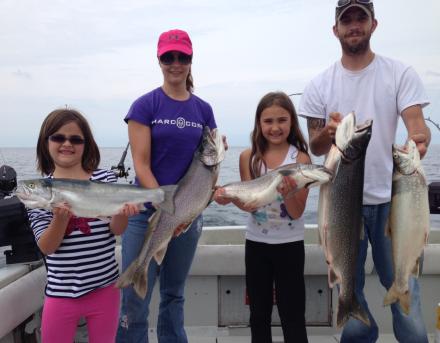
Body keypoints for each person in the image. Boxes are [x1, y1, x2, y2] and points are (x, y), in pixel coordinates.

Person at [298, 1, 431, 342]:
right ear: (335, 29)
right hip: (344, 206)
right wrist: (325, 135)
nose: (354, 25)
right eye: (347, 20)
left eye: (361, 18)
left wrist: (418, 138)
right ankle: (360, 330)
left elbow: (416, 124)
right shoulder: (318, 85)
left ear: (374, 24)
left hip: (392, 201)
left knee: (404, 286)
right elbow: (314, 145)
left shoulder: (399, 73)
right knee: (348, 284)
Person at [116, 29, 218, 343]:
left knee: (174, 294)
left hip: (186, 219)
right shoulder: (145, 106)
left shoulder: (204, 110)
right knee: (135, 296)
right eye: (168, 57)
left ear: (191, 60)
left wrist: (181, 215)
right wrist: (166, 207)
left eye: (182, 57)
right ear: (159, 60)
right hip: (145, 212)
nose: (176, 63)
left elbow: (209, 168)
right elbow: (142, 164)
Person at [27, 108, 138, 343]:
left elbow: (116, 230)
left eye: (75, 139)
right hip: (61, 294)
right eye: (58, 137)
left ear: (86, 144)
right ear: (45, 142)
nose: (67, 143)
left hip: (106, 289)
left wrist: (124, 213)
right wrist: (60, 218)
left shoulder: (106, 179)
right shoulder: (39, 193)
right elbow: (46, 247)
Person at [215, 92, 309, 343]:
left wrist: (289, 192)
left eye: (282, 120)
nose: (275, 127)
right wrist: (230, 197)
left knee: (293, 314)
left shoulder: (300, 160)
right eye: (268, 121)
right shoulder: (248, 157)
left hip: (290, 246)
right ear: (258, 124)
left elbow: (298, 212)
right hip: (256, 245)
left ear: (292, 123)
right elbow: (250, 204)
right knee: (258, 313)